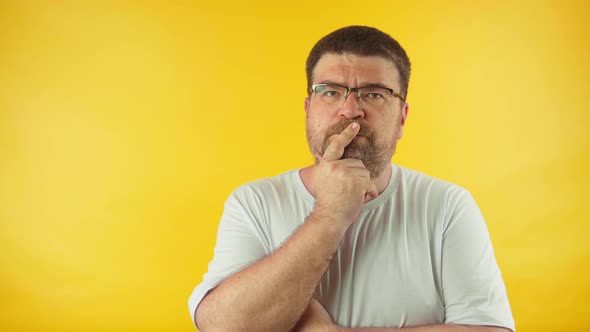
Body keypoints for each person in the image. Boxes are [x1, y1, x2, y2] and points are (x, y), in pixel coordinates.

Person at [188, 26, 515, 332]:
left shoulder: (447, 205)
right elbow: (222, 325)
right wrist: (328, 216)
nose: (349, 110)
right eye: (330, 92)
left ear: (402, 118)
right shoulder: (254, 202)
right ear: (308, 109)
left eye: (373, 94)